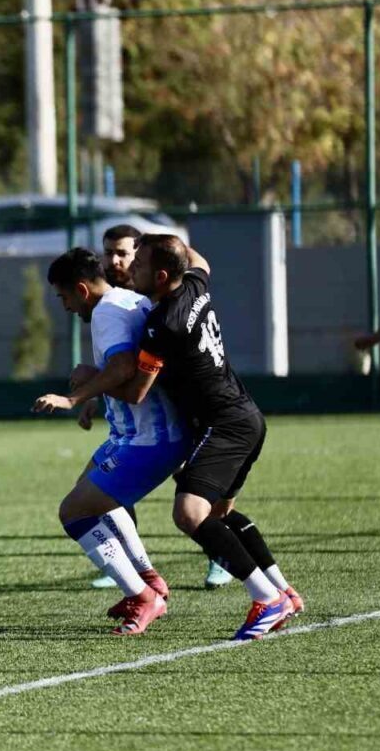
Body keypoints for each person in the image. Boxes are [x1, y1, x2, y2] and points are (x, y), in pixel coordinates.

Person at [124, 234, 303, 640]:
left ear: (162, 274)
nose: (131, 269)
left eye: (140, 263)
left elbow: (137, 390)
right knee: (218, 515)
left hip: (224, 424)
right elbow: (197, 259)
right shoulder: (194, 285)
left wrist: (86, 385)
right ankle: (283, 591)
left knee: (189, 513)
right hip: (246, 415)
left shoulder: (162, 324)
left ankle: (266, 599)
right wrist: (167, 240)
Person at [33, 249, 188, 635]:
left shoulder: (105, 312)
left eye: (63, 297)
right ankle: (148, 578)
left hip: (148, 439)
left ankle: (142, 596)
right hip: (134, 434)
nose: (65, 306)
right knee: (90, 495)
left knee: (74, 513)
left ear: (81, 289)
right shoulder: (128, 299)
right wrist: (95, 387)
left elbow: (123, 368)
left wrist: (75, 396)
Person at [84, 224, 234, 590]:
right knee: (105, 483)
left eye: (124, 253)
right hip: (144, 418)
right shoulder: (115, 302)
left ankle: (222, 555)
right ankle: (127, 565)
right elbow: (119, 360)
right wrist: (92, 396)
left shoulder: (162, 301)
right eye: (109, 253)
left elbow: (128, 371)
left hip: (189, 410)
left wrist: (81, 391)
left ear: (147, 258)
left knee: (198, 491)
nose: (115, 261)